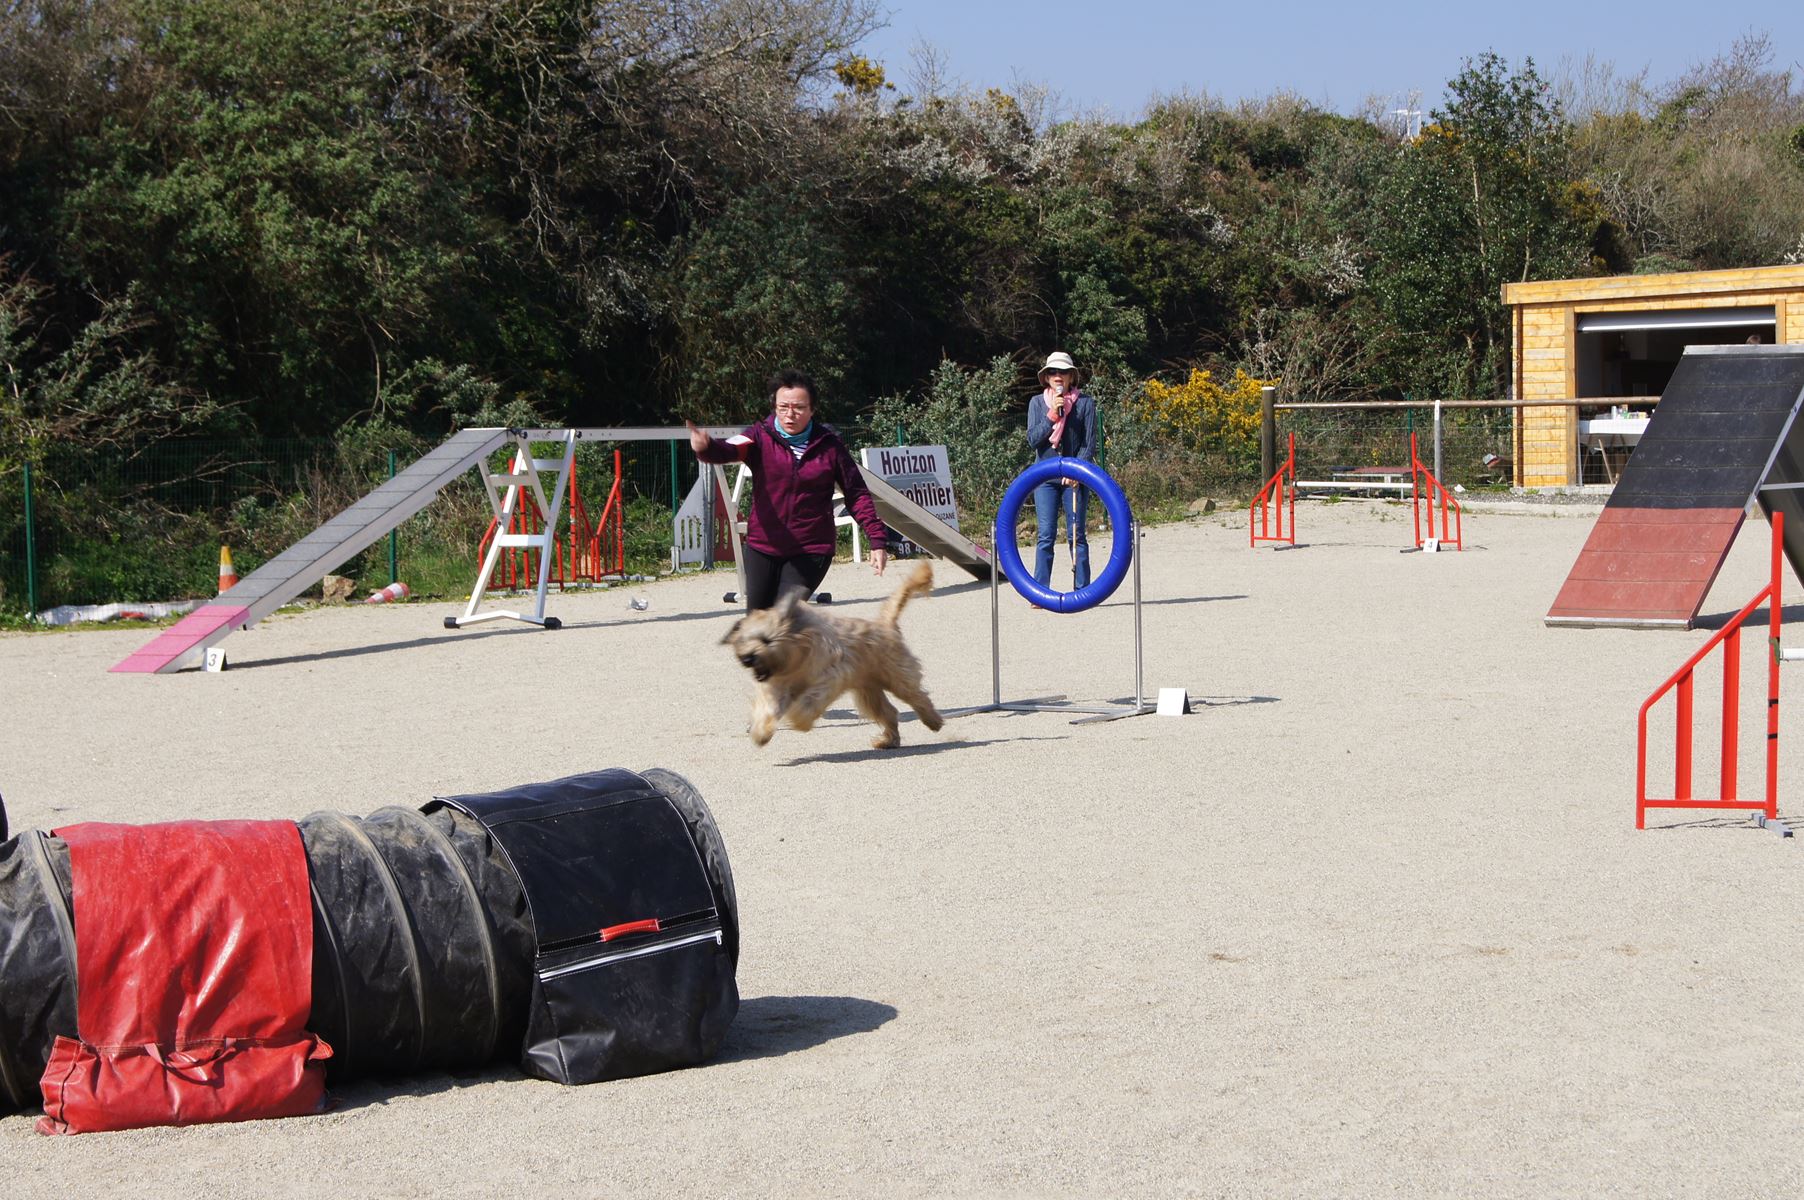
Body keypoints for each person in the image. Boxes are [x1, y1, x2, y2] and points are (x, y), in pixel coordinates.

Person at [687, 369, 889, 612]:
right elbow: (729, 450)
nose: (789, 414)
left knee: (783, 618)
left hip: (811, 549)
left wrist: (877, 540)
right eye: (783, 407)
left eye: (799, 407)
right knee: (758, 625)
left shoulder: (830, 447)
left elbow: (856, 493)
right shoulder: (759, 436)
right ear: (774, 406)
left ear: (812, 409)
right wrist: (706, 448)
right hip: (764, 546)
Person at [1025, 350, 1099, 598]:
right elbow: (1033, 440)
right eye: (1053, 372)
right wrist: (1050, 416)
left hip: (1074, 478)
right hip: (1045, 478)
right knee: (1045, 535)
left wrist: (1077, 471)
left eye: (1063, 372)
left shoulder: (1085, 403)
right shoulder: (1037, 403)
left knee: (1076, 534)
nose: (1058, 376)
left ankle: (1082, 591)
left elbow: (1089, 444)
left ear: (1071, 377)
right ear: (1046, 378)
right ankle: (1040, 591)